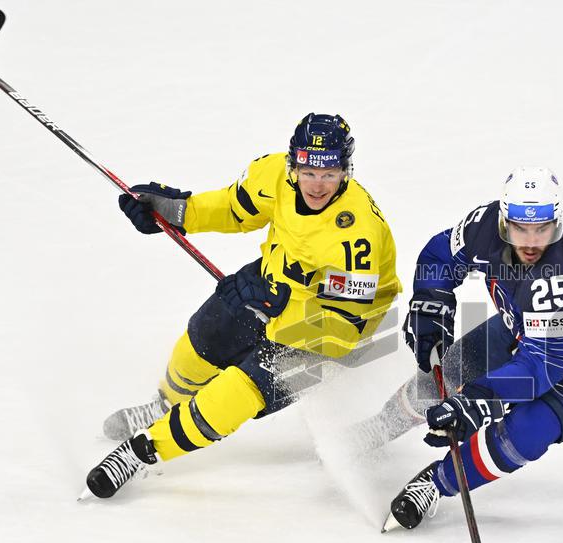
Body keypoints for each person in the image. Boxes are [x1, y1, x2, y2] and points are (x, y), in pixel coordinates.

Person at [82, 113, 401, 499]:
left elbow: (346, 325)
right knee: (206, 333)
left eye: (329, 174)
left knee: (240, 390)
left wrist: (273, 312)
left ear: (345, 172)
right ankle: (164, 405)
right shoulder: (273, 177)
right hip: (276, 282)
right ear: (292, 164)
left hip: (333, 331)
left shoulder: (357, 235)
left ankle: (144, 451)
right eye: (308, 170)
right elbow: (235, 208)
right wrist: (175, 212)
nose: (317, 184)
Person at [376, 166, 563, 531]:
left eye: (542, 229)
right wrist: (432, 301)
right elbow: (439, 256)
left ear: (557, 222)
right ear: (504, 220)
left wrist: (474, 401)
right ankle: (375, 430)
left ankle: (435, 482)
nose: (530, 241)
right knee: (449, 370)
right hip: (528, 331)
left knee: (526, 431)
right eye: (520, 228)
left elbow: (539, 370)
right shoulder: (484, 224)